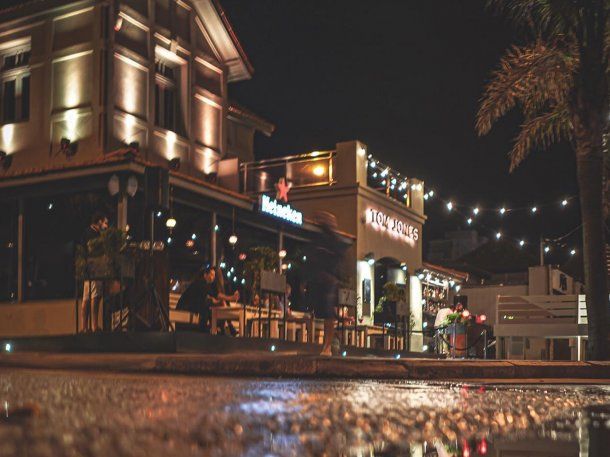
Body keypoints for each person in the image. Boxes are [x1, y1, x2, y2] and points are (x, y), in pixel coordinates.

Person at [307, 211, 346, 356]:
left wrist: (333, 276)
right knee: (322, 312)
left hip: (328, 279)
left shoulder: (332, 240)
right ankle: (325, 345)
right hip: (321, 279)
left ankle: (327, 345)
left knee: (328, 313)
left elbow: (338, 260)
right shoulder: (320, 238)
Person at [80, 211, 108, 332]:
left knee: (86, 298)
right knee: (95, 297)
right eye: (105, 223)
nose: (106, 226)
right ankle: (94, 326)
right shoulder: (95, 235)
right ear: (99, 222)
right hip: (96, 268)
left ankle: (84, 327)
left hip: (87, 269)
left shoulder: (86, 232)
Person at [175, 266, 218, 332]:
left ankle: (209, 329)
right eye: (211, 275)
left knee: (207, 311)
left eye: (214, 276)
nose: (213, 277)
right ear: (205, 275)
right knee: (206, 311)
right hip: (185, 309)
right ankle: (209, 330)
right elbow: (202, 301)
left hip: (187, 308)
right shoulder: (201, 283)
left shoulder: (202, 284)